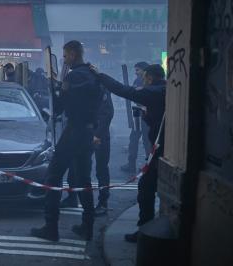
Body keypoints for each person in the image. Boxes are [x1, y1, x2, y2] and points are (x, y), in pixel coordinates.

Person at [30, 41, 103, 241]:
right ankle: (87, 227)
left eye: (65, 55)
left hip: (74, 131)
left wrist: (55, 90)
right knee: (84, 180)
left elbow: (61, 107)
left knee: (53, 176)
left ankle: (51, 227)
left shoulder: (71, 76)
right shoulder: (94, 74)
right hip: (88, 131)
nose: (63, 59)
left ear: (72, 54)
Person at [91, 63, 166, 243]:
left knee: (146, 188)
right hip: (163, 146)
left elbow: (124, 90)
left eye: (145, 79)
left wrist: (101, 75)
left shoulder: (154, 91)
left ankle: (145, 230)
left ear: (149, 78)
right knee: (151, 186)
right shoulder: (165, 89)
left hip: (162, 148)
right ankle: (148, 227)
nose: (143, 82)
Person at [60, 87, 114, 217]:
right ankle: (72, 196)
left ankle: (103, 203)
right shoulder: (81, 87)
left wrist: (98, 134)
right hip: (83, 132)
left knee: (101, 168)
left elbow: (107, 113)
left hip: (99, 134)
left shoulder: (101, 88)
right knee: (75, 166)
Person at [120, 62, 152, 173]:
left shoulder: (142, 81)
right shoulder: (143, 80)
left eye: (138, 70)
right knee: (138, 140)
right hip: (140, 115)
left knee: (143, 141)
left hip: (143, 115)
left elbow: (135, 95)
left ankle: (139, 165)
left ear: (144, 70)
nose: (136, 72)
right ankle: (140, 165)